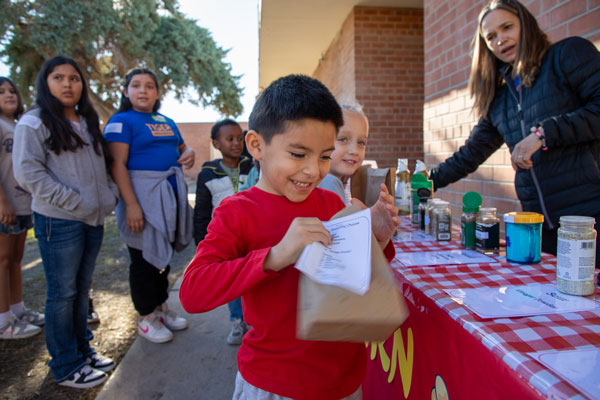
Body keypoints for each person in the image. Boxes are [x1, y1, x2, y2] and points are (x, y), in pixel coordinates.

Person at [180, 74, 400, 400]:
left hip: (345, 379)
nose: (313, 170)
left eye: (325, 156)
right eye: (298, 154)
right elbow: (193, 292)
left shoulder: (330, 202)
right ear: (256, 145)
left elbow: (349, 277)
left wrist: (377, 240)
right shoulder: (237, 211)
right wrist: (276, 255)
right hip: (275, 383)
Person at [428, 0, 600, 266]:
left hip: (590, 220)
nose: (500, 40)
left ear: (525, 24)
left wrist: (543, 134)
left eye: (507, 27)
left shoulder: (567, 55)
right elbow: (469, 155)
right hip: (540, 228)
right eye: (491, 37)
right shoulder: (500, 100)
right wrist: (427, 182)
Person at [12, 56, 118, 388]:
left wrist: (110, 194)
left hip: (92, 220)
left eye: (74, 78)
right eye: (58, 77)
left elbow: (103, 167)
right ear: (45, 83)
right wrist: (75, 201)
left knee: (80, 292)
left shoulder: (88, 121)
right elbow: (28, 172)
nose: (68, 84)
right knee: (63, 293)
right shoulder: (32, 122)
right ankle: (66, 364)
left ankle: (83, 351)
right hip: (59, 221)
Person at [104, 68, 194, 344]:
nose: (143, 90)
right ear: (125, 91)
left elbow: (183, 148)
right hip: (141, 196)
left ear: (157, 92)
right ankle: (145, 316)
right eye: (136, 85)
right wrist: (131, 204)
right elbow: (116, 164)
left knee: (163, 257)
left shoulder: (166, 121)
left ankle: (160, 306)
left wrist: (188, 153)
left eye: (149, 86)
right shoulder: (121, 121)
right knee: (142, 260)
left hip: (169, 195)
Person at [193, 118, 253, 345]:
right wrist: (201, 243)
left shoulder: (253, 166)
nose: (236, 143)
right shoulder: (207, 174)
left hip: (252, 235)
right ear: (216, 144)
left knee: (254, 277)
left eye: (239, 138)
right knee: (234, 281)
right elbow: (201, 212)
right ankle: (238, 320)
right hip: (226, 239)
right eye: (229, 139)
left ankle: (255, 321)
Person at [0, 77, 45, 340]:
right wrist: (2, 201)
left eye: (12, 91)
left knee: (15, 258)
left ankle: (18, 309)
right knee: (2, 259)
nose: (9, 95)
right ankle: (4, 318)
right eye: (1, 91)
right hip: (5, 205)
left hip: (21, 205)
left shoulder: (17, 125)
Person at [318, 104, 369, 203]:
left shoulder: (350, 183)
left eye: (361, 143)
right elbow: (341, 219)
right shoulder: (328, 183)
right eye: (343, 139)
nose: (354, 151)